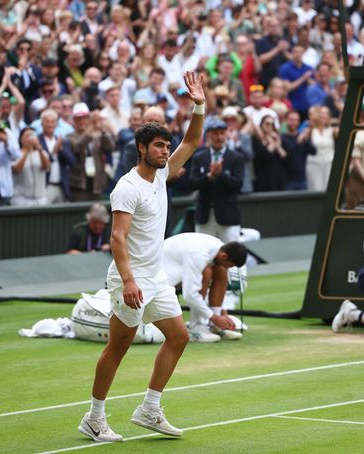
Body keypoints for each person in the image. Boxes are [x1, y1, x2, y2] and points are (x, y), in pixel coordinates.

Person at [78, 71, 205, 443]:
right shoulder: (126, 187)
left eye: (167, 146)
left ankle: (149, 409)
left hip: (156, 278)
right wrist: (129, 280)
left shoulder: (162, 177)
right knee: (118, 347)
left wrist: (198, 104)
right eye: (159, 147)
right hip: (128, 279)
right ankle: (94, 418)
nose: (166, 151)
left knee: (179, 337)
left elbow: (194, 139)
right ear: (142, 149)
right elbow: (117, 238)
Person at [162, 232, 248, 342]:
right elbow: (190, 295)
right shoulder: (198, 253)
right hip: (164, 274)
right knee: (206, 273)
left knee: (221, 270)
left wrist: (219, 316)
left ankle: (213, 326)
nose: (228, 268)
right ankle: (196, 329)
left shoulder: (219, 248)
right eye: (229, 266)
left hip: (181, 267)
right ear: (224, 256)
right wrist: (214, 317)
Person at [189, 117, 245, 243]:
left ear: (227, 134)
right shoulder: (199, 157)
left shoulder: (236, 157)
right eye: (215, 133)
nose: (219, 137)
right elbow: (192, 183)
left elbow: (238, 184)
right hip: (204, 216)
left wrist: (220, 174)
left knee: (230, 257)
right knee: (204, 255)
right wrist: (209, 176)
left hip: (228, 217)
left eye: (222, 133)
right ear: (208, 135)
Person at [11, 127, 50, 206]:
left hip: (40, 199)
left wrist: (39, 149)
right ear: (21, 140)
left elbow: (46, 167)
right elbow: (16, 169)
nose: (30, 138)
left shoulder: (42, 153)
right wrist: (26, 151)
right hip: (21, 199)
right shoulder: (15, 154)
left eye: (32, 135)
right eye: (27, 136)